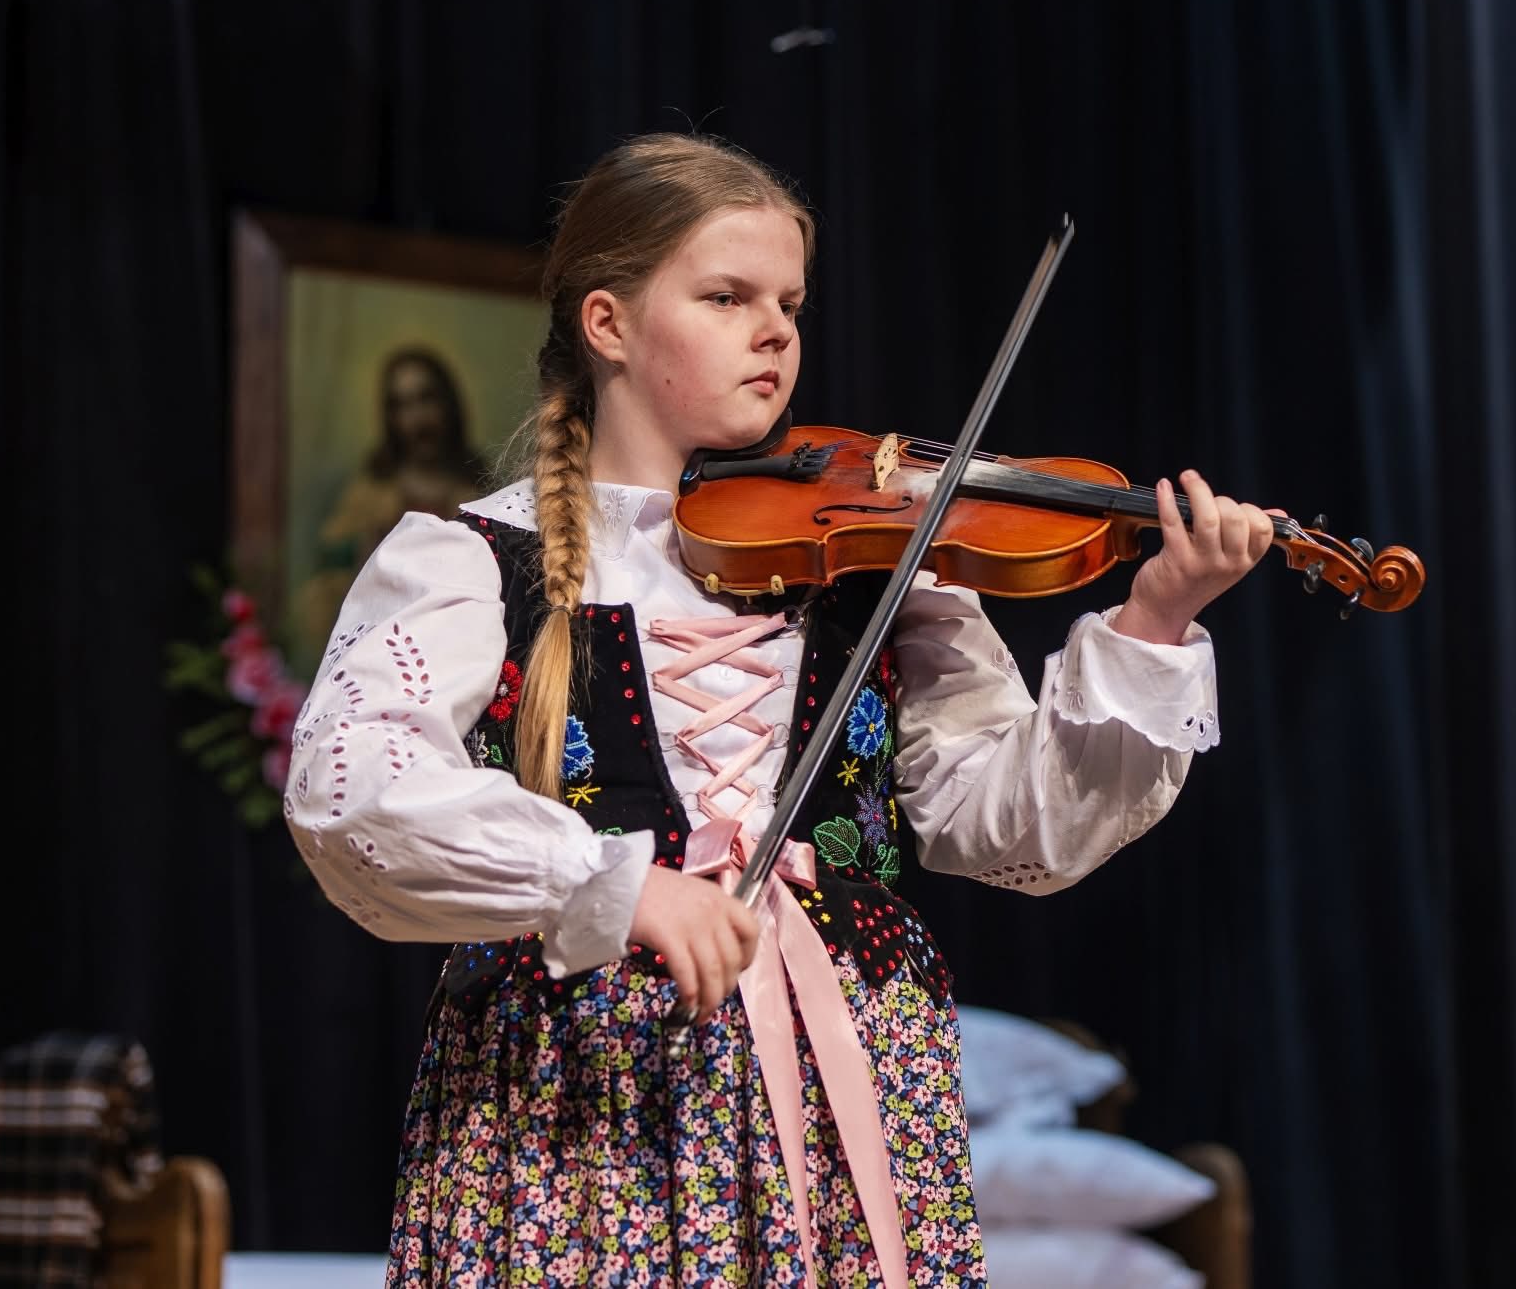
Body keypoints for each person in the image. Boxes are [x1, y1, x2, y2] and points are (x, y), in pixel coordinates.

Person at [284, 133, 1274, 1287]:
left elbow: (1009, 827)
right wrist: (611, 881)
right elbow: (353, 786)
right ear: (607, 323)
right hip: (585, 1090)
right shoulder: (472, 559)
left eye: (789, 305)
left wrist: (1153, 621)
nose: (775, 332)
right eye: (726, 297)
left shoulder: (875, 564)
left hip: (845, 1052)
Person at [292, 347, 488, 660]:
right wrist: (366, 554)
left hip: (459, 650)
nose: (418, 419)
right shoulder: (370, 492)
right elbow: (327, 580)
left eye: (426, 398)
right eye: (403, 405)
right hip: (385, 653)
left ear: (448, 403)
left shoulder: (480, 490)